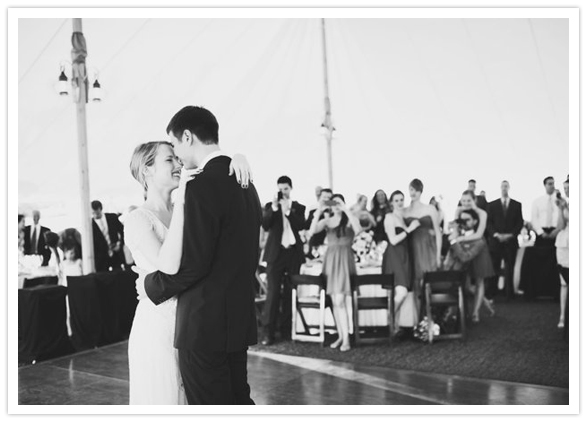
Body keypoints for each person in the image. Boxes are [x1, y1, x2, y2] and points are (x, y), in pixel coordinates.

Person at [134, 105, 259, 405]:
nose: (178, 157)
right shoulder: (246, 182)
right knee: (238, 400)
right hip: (236, 320)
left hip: (203, 326)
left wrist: (151, 286)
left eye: (175, 145)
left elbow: (195, 263)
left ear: (188, 137)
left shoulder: (199, 187)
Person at [308, 193, 361, 352]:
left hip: (344, 259)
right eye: (334, 203)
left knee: (340, 300)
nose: (336, 206)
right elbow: (312, 231)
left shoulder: (349, 219)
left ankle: (346, 339)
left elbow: (358, 230)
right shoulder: (327, 221)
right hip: (331, 260)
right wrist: (319, 209)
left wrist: (345, 209)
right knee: (335, 301)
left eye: (339, 203)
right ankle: (341, 335)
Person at [260, 175, 306, 346]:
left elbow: (301, 225)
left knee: (290, 292)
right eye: (280, 189)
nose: (283, 192)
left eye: (285, 188)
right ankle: (268, 333)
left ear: (291, 188)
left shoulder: (298, 207)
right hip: (276, 254)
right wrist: (274, 207)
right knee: (273, 293)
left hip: (293, 253)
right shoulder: (270, 206)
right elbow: (265, 225)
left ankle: (286, 329)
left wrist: (287, 211)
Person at [382, 190, 420, 333]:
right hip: (394, 255)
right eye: (396, 200)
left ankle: (394, 326)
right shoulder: (389, 217)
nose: (399, 203)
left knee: (400, 291)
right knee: (402, 292)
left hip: (405, 255)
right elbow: (393, 240)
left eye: (401, 200)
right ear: (391, 203)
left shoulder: (403, 218)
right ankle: (389, 318)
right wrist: (409, 230)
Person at [454, 190, 495, 323]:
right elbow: (456, 230)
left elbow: (478, 234)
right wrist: (458, 239)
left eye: (468, 200)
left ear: (474, 200)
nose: (466, 203)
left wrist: (460, 239)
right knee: (465, 284)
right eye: (463, 200)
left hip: (479, 247)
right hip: (463, 248)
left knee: (479, 281)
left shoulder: (482, 213)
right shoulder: (458, 211)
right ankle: (485, 301)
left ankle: (475, 312)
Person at [404, 179, 442, 307]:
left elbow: (438, 233)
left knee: (427, 282)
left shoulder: (430, 209)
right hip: (412, 247)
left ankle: (428, 313)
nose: (414, 192)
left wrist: (438, 255)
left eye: (417, 190)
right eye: (411, 189)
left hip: (428, 248)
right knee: (415, 283)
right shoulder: (405, 211)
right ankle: (417, 314)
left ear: (421, 191)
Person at [486, 180, 524, 301]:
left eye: (506, 186)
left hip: (511, 242)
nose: (504, 188)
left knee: (510, 268)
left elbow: (519, 222)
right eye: (502, 186)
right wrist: (496, 234)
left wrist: (511, 235)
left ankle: (509, 294)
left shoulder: (516, 205)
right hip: (496, 242)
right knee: (494, 268)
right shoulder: (492, 205)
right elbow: (489, 223)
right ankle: (492, 293)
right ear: (500, 188)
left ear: (509, 188)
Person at [91, 200, 126, 272]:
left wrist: (120, 245)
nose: (95, 215)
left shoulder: (112, 217)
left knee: (119, 275)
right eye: (93, 213)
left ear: (101, 209)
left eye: (97, 213)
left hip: (117, 254)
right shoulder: (90, 225)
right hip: (101, 259)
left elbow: (123, 232)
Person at [555, 177, 569, 328]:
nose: (567, 191)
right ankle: (563, 316)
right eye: (565, 189)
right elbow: (560, 226)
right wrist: (560, 209)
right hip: (564, 244)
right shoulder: (564, 204)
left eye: (569, 188)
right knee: (564, 282)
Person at [531, 176, 560, 247]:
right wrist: (540, 232)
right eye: (550, 184)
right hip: (542, 233)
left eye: (553, 183)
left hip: (556, 232)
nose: (552, 186)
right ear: (545, 185)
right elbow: (534, 218)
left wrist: (557, 231)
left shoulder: (560, 201)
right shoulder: (537, 201)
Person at [305, 188, 333, 254]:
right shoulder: (313, 210)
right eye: (324, 197)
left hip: (330, 245)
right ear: (319, 197)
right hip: (315, 245)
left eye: (329, 198)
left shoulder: (334, 211)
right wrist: (319, 211)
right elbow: (308, 227)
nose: (326, 199)